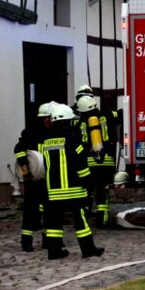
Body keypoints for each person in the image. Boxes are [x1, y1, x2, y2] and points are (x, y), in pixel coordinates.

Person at [40, 104, 105, 259]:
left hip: (53, 191)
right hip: (74, 189)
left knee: (54, 223)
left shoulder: (46, 140)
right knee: (80, 220)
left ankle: (54, 251)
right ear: (65, 121)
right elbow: (81, 162)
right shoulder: (71, 138)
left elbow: (44, 165)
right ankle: (88, 249)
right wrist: (88, 182)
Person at [13, 102, 56, 252]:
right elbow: (18, 150)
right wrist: (25, 170)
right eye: (45, 118)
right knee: (30, 210)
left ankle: (47, 239)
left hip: (50, 177)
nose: (48, 121)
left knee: (50, 209)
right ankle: (26, 241)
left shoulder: (54, 132)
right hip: (34, 178)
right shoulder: (30, 132)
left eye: (49, 118)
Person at [76, 96, 117, 227]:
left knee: (87, 191)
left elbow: (79, 143)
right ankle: (102, 220)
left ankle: (85, 218)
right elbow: (119, 116)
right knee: (102, 192)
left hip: (90, 163)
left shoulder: (81, 123)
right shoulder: (107, 116)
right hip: (107, 162)